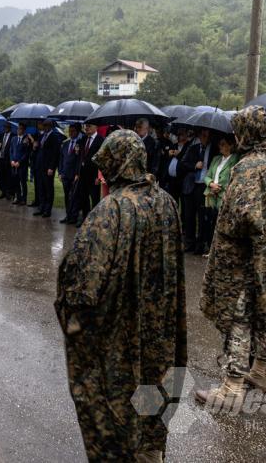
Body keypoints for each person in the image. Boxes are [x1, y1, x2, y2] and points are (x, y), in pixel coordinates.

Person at [56, 129, 186, 463]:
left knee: (114, 410)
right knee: (151, 399)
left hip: (118, 342)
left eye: (106, 163)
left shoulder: (110, 211)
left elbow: (82, 290)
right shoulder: (167, 203)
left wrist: (72, 322)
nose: (102, 171)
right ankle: (150, 453)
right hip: (158, 336)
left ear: (117, 163)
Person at [196, 106, 266, 411]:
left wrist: (226, 224)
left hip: (243, 259)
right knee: (261, 312)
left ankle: (232, 387)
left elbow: (243, 217)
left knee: (239, 318)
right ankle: (261, 370)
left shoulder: (248, 167)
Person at [178, 128, 214, 255]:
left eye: (207, 136)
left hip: (204, 186)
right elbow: (183, 164)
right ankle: (189, 242)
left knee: (203, 216)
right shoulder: (193, 148)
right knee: (189, 216)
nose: (205, 138)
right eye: (203, 135)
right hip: (191, 186)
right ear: (199, 136)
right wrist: (194, 165)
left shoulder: (213, 150)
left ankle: (200, 244)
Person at [202, 135, 239, 254]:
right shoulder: (216, 158)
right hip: (211, 195)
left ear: (231, 145)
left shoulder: (236, 159)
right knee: (209, 223)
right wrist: (211, 184)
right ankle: (210, 249)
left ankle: (219, 250)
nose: (220, 146)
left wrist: (221, 188)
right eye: (220, 144)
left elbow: (235, 177)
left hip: (224, 196)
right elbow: (207, 176)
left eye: (223, 144)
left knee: (221, 224)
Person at [75, 123, 104, 226]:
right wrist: (77, 173)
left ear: (96, 127)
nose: (86, 128)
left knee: (95, 198)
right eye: (85, 126)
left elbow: (102, 160)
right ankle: (84, 218)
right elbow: (80, 156)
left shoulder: (101, 140)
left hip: (94, 176)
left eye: (89, 126)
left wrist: (98, 176)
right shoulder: (83, 139)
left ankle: (95, 221)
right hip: (83, 174)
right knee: (83, 197)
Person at [34, 119, 60, 218]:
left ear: (50, 126)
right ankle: (41, 207)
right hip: (40, 166)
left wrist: (51, 167)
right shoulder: (41, 136)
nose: (44, 127)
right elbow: (39, 150)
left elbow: (55, 154)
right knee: (41, 188)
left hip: (48, 167)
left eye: (45, 125)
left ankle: (47, 210)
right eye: (43, 125)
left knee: (48, 188)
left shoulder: (54, 137)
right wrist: (35, 147)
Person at [59, 123, 82, 224]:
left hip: (74, 175)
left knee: (74, 197)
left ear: (77, 132)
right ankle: (68, 215)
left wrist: (77, 173)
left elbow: (80, 160)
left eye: (73, 131)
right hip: (65, 174)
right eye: (69, 131)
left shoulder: (80, 144)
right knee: (66, 196)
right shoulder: (66, 144)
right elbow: (61, 159)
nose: (70, 133)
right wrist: (60, 172)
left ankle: (74, 216)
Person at [9, 123, 31, 205]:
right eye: (18, 128)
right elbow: (11, 150)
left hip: (22, 165)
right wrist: (11, 160)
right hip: (13, 164)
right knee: (15, 181)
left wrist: (19, 162)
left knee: (23, 182)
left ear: (24, 130)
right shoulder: (14, 138)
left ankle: (23, 199)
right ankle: (17, 197)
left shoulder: (26, 140)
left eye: (21, 129)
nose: (19, 130)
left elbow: (26, 153)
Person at [0, 122, 15, 200]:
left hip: (8, 160)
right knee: (1, 176)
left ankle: (8, 192)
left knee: (8, 177)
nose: (5, 129)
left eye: (7, 127)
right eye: (5, 127)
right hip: (0, 159)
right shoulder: (1, 135)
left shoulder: (13, 136)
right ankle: (3, 192)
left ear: (10, 128)